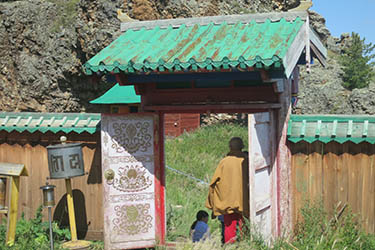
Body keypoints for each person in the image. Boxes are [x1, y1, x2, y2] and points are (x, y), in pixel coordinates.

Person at [205, 137, 249, 243]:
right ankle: (244, 245)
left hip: (227, 202)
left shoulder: (224, 162)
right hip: (244, 201)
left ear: (230, 147)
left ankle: (230, 246)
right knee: (244, 225)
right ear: (242, 147)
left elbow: (213, 184)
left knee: (229, 227)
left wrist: (212, 204)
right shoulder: (247, 161)